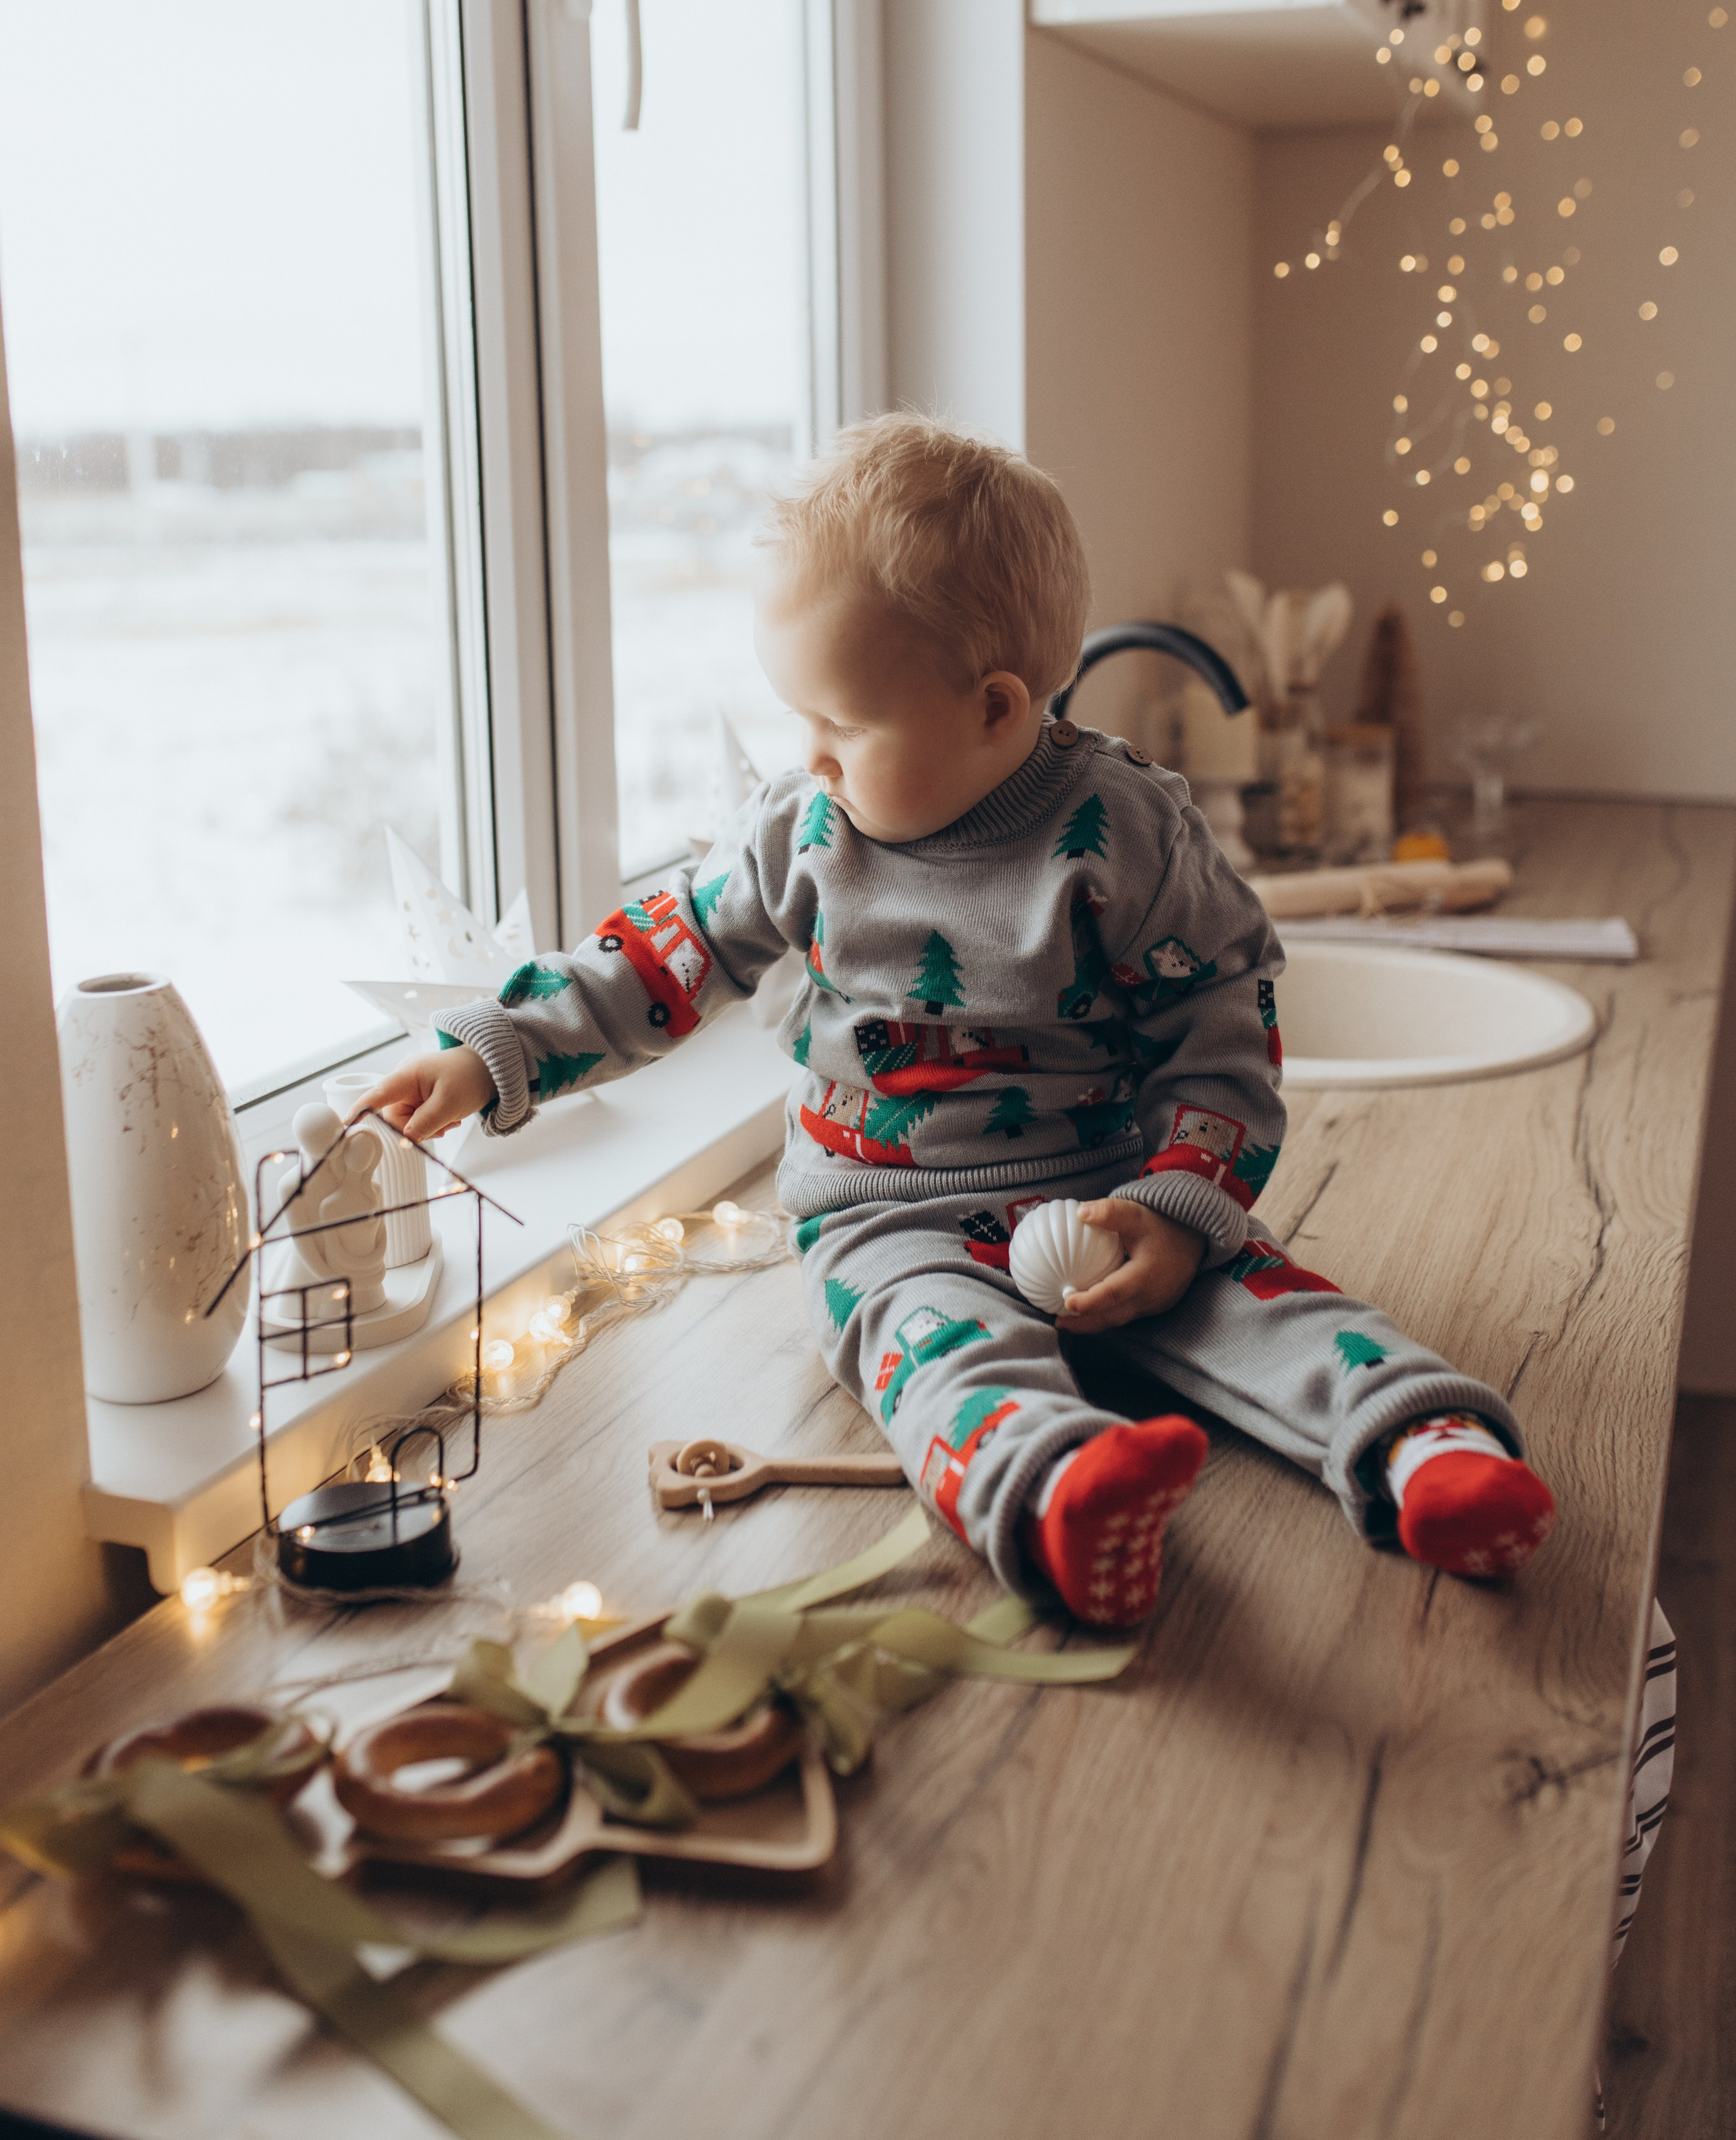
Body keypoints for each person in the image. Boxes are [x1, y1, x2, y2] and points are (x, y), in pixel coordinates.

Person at [361, 416, 1555, 1629]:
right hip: (885, 1220)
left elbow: (1223, 1019)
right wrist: (495, 1045)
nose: (812, 762)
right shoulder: (804, 834)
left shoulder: (1126, 833)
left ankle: (1430, 1452)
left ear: (995, 707)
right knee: (933, 1357)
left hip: (1108, 1195)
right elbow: (665, 953)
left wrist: (1181, 1201)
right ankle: (1060, 1494)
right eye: (799, 726)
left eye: (845, 728)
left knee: (1274, 1310)